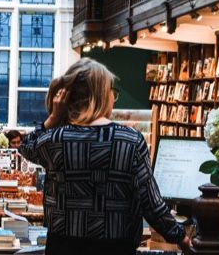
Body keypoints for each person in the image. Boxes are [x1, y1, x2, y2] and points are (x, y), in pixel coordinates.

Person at [19, 58, 190, 255]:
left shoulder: (55, 140)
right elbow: (151, 203)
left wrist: (53, 118)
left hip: (62, 247)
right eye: (112, 92)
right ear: (101, 95)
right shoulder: (130, 141)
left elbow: (26, 145)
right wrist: (181, 237)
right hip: (116, 247)